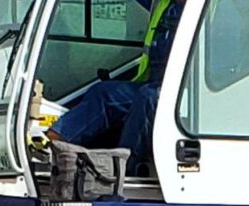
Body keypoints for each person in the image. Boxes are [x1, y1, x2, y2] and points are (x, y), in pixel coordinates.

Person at [47, 0, 186, 173]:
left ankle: (123, 171)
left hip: (190, 95)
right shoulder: (164, 4)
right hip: (154, 83)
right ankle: (54, 144)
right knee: (104, 93)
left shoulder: (213, 11)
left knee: (148, 98)